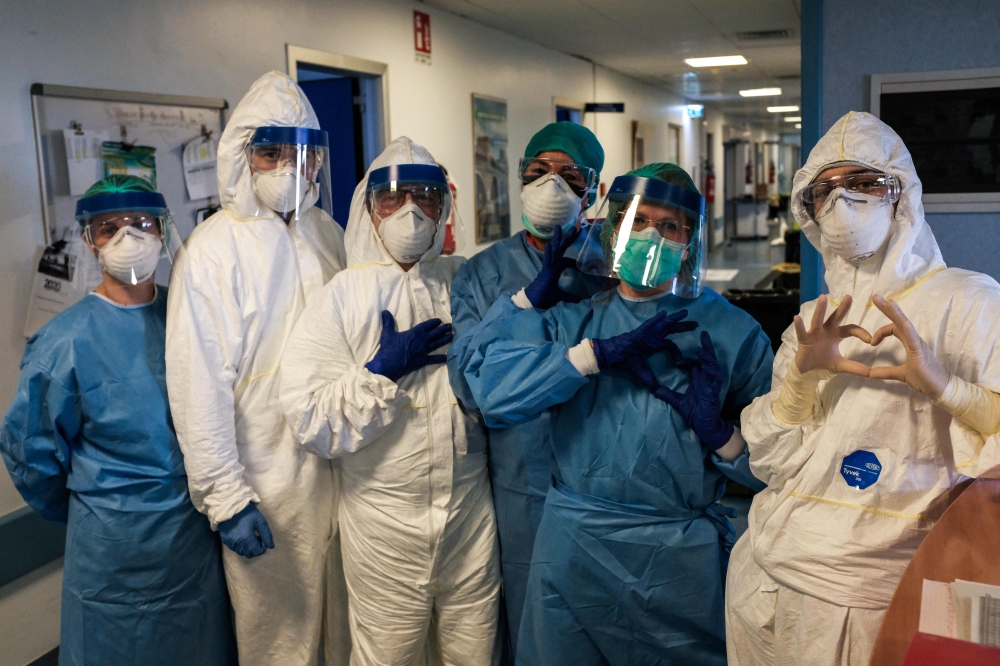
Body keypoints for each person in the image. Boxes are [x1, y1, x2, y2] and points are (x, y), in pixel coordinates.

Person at [461, 163, 773, 665]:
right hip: (573, 550)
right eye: (638, 220)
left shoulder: (732, 333)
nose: (652, 236)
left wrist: (723, 438)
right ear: (611, 231)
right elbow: (490, 392)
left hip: (678, 560)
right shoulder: (574, 321)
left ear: (691, 242)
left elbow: (781, 463)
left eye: (671, 226)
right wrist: (590, 357)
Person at [726, 112, 1000, 666]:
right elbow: (770, 462)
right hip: (765, 574)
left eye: (864, 184)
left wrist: (947, 388)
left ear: (902, 195)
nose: (842, 203)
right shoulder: (814, 317)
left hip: (872, 597)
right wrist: (801, 382)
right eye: (824, 191)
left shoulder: (971, 302)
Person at [279, 137, 501, 666]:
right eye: (393, 199)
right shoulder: (342, 297)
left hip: (470, 513)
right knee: (388, 656)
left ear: (444, 206)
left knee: (476, 652)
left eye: (425, 196)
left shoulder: (462, 283)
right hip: (384, 521)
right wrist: (379, 374)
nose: (410, 212)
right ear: (369, 209)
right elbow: (308, 418)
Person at [0, 175, 237, 666]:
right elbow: (30, 452)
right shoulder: (65, 341)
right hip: (110, 549)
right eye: (110, 228)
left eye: (142, 223)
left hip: (191, 540)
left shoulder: (192, 316)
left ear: (164, 230)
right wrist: (99, 509)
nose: (129, 238)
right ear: (90, 240)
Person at [166, 71, 348, 666]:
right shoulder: (212, 252)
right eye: (271, 152)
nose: (289, 167)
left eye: (301, 152)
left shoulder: (330, 234)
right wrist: (228, 499)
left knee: (343, 629)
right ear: (243, 157)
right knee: (278, 638)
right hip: (266, 480)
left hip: (344, 465)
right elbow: (199, 388)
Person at [447, 121, 610, 659]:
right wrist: (521, 304)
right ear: (519, 181)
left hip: (610, 479)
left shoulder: (618, 265)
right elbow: (471, 387)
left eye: (569, 176)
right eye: (539, 173)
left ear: (596, 188)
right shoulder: (483, 272)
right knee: (534, 619)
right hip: (524, 481)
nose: (552, 186)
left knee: (607, 616)